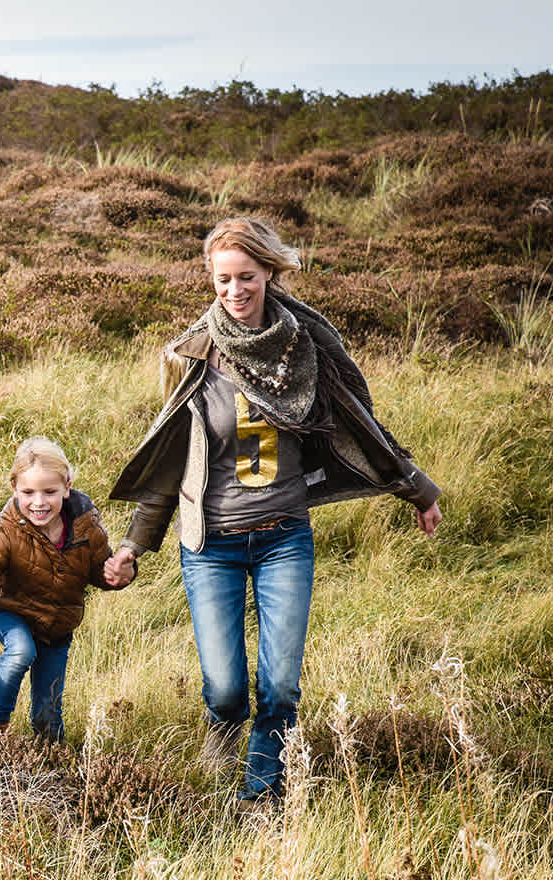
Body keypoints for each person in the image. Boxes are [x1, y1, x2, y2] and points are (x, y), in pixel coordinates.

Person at [103, 215, 443, 802]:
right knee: (227, 688)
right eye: (222, 281)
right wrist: (135, 545)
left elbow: (359, 425)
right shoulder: (192, 357)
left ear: (269, 274)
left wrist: (417, 490)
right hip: (210, 546)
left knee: (281, 686)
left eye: (246, 279)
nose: (234, 292)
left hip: (286, 536)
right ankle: (222, 734)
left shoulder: (304, 348)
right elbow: (170, 458)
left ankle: (261, 797)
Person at [0, 437, 120, 743]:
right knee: (21, 650)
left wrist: (117, 574)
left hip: (58, 625)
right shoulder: (9, 528)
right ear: (14, 489)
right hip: (12, 611)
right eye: (28, 492)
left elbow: (101, 572)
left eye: (49, 492)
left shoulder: (86, 526)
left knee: (47, 711)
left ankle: (51, 766)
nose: (39, 502)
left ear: (67, 486)